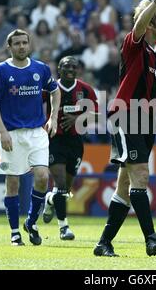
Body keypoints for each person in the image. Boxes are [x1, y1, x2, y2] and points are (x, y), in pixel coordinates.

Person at [93, 0, 156, 257]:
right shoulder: (134, 45)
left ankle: (103, 243)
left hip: (146, 121)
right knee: (141, 175)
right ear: (150, 24)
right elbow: (138, 27)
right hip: (125, 115)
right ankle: (151, 239)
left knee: (124, 186)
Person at [0, 29, 61, 246]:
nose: (21, 46)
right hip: (11, 134)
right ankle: (14, 232)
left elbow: (55, 91)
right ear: (9, 46)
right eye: (16, 43)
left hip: (37, 132)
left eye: (24, 42)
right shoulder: (0, 70)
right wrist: (3, 131)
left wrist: (53, 118)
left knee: (43, 176)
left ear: (29, 44)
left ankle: (31, 221)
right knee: (13, 183)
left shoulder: (40, 68)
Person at [42, 55, 98, 240]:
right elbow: (35, 107)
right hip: (54, 140)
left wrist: (77, 119)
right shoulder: (49, 88)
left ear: (78, 70)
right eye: (66, 66)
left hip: (75, 142)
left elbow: (96, 115)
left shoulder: (86, 90)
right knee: (59, 183)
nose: (70, 70)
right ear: (59, 68)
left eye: (74, 67)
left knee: (64, 189)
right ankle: (64, 227)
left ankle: (50, 200)